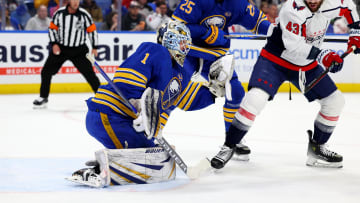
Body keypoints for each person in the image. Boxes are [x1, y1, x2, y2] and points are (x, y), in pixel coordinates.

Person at [66, 20, 237, 187]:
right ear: (169, 40)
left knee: (162, 161)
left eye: (187, 44)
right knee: (155, 164)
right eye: (182, 42)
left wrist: (214, 92)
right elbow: (129, 77)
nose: (185, 48)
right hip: (111, 114)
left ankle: (107, 162)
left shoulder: (180, 74)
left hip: (123, 122)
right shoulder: (155, 50)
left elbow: (188, 100)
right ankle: (99, 172)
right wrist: (140, 104)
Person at [210, 0, 360, 169]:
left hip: (306, 65)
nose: (311, 1)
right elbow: (293, 46)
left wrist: (356, 33)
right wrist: (323, 55)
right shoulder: (292, 9)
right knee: (255, 99)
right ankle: (229, 146)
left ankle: (317, 148)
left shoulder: (335, 2)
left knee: (335, 101)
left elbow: (349, 7)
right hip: (275, 60)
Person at [172, 0, 273, 160]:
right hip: (189, 53)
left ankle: (232, 139)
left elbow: (259, 23)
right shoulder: (195, 2)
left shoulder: (237, 3)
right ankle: (152, 127)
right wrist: (205, 32)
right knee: (172, 89)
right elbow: (175, 29)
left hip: (214, 55)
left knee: (236, 92)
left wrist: (279, 34)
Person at [33, 0, 100, 108]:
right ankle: (43, 97)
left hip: (79, 50)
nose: (76, 2)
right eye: (73, 0)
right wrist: (54, 44)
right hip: (61, 48)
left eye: (77, 0)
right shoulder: (59, 13)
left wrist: (95, 46)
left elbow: (92, 30)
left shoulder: (84, 14)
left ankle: (101, 98)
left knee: (90, 74)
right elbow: (52, 29)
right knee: (46, 72)